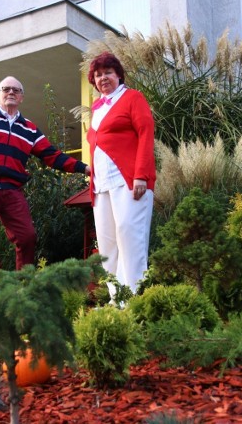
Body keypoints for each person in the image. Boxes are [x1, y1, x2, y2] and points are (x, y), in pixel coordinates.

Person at [0, 76, 91, 270]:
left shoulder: (29, 128)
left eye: (16, 90)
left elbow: (52, 156)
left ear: (21, 98)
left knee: (27, 237)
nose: (11, 93)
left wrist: (84, 168)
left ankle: (24, 284)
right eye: (6, 89)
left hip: (11, 191)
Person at [86, 52, 156, 298]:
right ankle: (117, 299)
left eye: (108, 73)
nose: (103, 78)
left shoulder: (132, 98)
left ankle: (135, 299)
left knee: (129, 236)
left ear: (118, 75)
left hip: (128, 180)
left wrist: (141, 175)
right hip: (101, 186)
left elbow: (146, 134)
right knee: (107, 245)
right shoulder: (97, 107)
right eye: (98, 75)